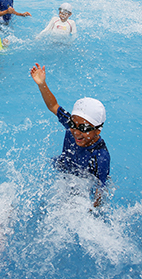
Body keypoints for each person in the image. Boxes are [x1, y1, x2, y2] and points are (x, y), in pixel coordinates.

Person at [30, 63, 110, 206]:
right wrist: (42, 84)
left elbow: (100, 189)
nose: (76, 132)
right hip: (63, 166)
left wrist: (93, 210)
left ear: (98, 130)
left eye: (84, 128)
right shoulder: (73, 126)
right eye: (73, 124)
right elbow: (53, 106)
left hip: (80, 182)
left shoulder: (100, 156)